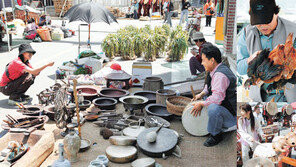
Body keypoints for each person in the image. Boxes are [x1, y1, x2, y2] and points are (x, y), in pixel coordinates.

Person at [237, 0, 296, 102]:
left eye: (267, 21)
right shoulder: (246, 33)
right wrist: (251, 60)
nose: (263, 26)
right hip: (259, 98)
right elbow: (239, 67)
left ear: (276, 13)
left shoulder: (293, 30)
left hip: (289, 98)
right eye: (258, 22)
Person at [190, 44, 237, 147]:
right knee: (206, 100)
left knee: (213, 108)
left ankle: (215, 135)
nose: (202, 63)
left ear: (212, 60)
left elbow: (217, 99)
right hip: (225, 106)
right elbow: (210, 87)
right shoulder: (217, 69)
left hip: (231, 116)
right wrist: (201, 94)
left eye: (203, 60)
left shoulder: (220, 75)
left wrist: (201, 103)